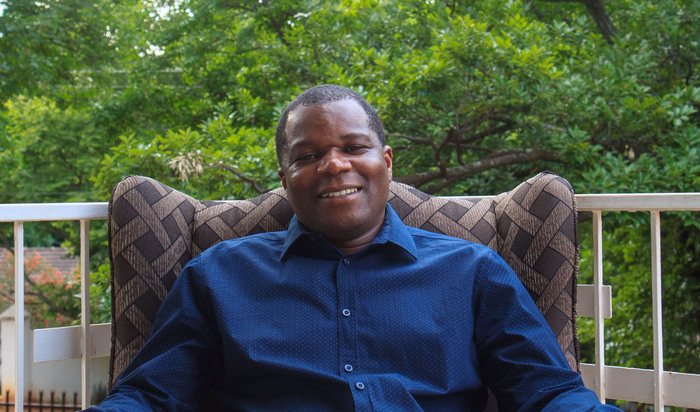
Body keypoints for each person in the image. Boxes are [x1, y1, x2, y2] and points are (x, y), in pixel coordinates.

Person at [86, 85, 619, 411]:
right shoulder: (218, 275)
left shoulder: (473, 271)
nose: (334, 165)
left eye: (354, 147)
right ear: (285, 179)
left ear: (385, 162)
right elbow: (151, 395)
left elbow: (548, 392)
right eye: (308, 155)